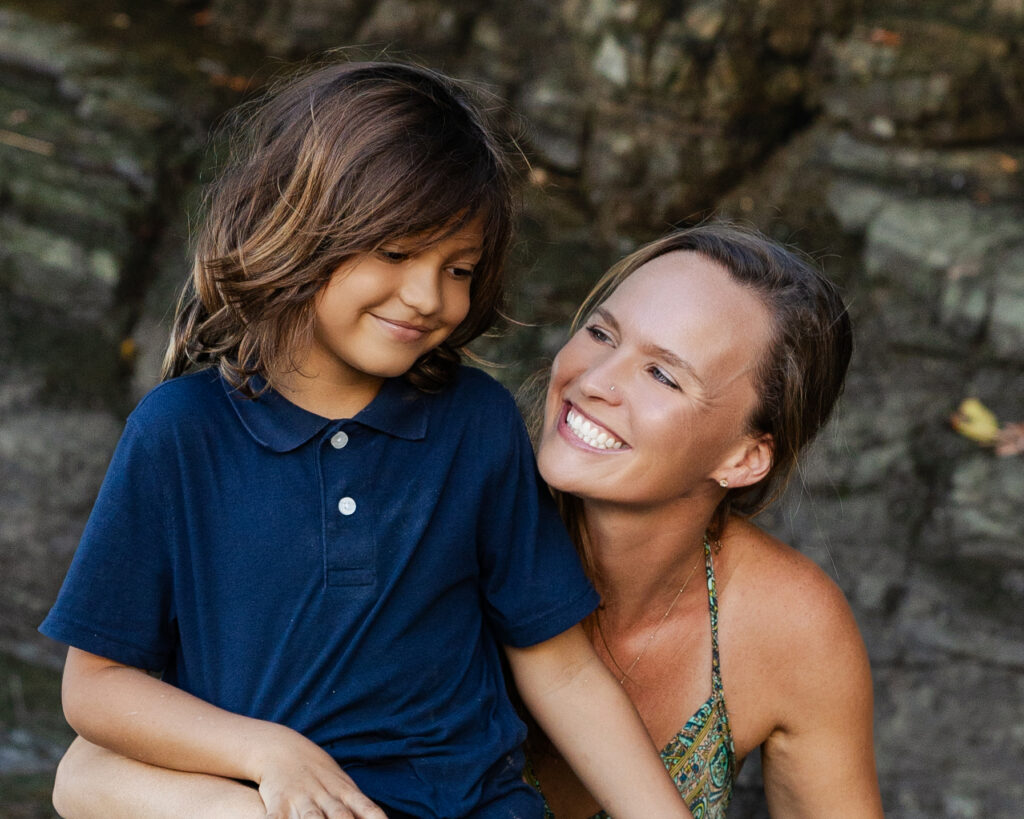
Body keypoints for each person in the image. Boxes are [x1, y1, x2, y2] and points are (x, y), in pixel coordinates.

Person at [40, 61, 693, 819]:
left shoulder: (475, 423)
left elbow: (561, 667)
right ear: (296, 222)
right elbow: (95, 686)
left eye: (458, 268)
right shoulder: (178, 435)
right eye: (394, 254)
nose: (428, 297)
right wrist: (264, 749)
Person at [527, 223, 884, 817]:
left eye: (662, 374)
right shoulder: (446, 523)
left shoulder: (787, 627)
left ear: (743, 458)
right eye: (600, 333)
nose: (592, 382)